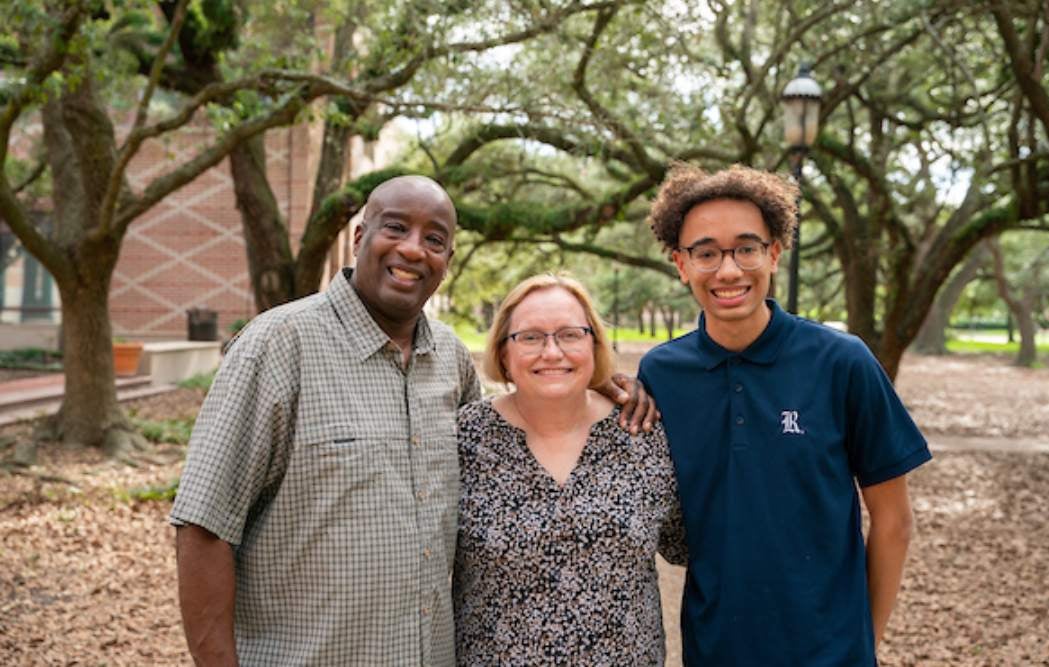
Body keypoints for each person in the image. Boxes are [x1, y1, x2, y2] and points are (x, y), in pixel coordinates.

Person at [169, 176, 654, 666]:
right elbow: (204, 525)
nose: (413, 250)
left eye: (435, 239)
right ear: (360, 238)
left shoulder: (449, 360)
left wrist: (596, 386)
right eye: (396, 228)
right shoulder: (278, 345)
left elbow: (519, 427)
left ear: (447, 260)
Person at [637, 164, 931, 666]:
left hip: (831, 653)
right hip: (713, 650)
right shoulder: (660, 375)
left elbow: (892, 521)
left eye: (746, 248)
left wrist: (863, 642)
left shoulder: (843, 362)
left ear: (774, 253)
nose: (728, 270)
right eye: (705, 253)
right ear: (680, 264)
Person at [453, 274, 686, 666]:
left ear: (595, 345)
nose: (552, 352)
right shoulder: (462, 440)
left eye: (570, 335)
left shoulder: (642, 433)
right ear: (503, 353)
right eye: (530, 337)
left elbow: (691, 545)